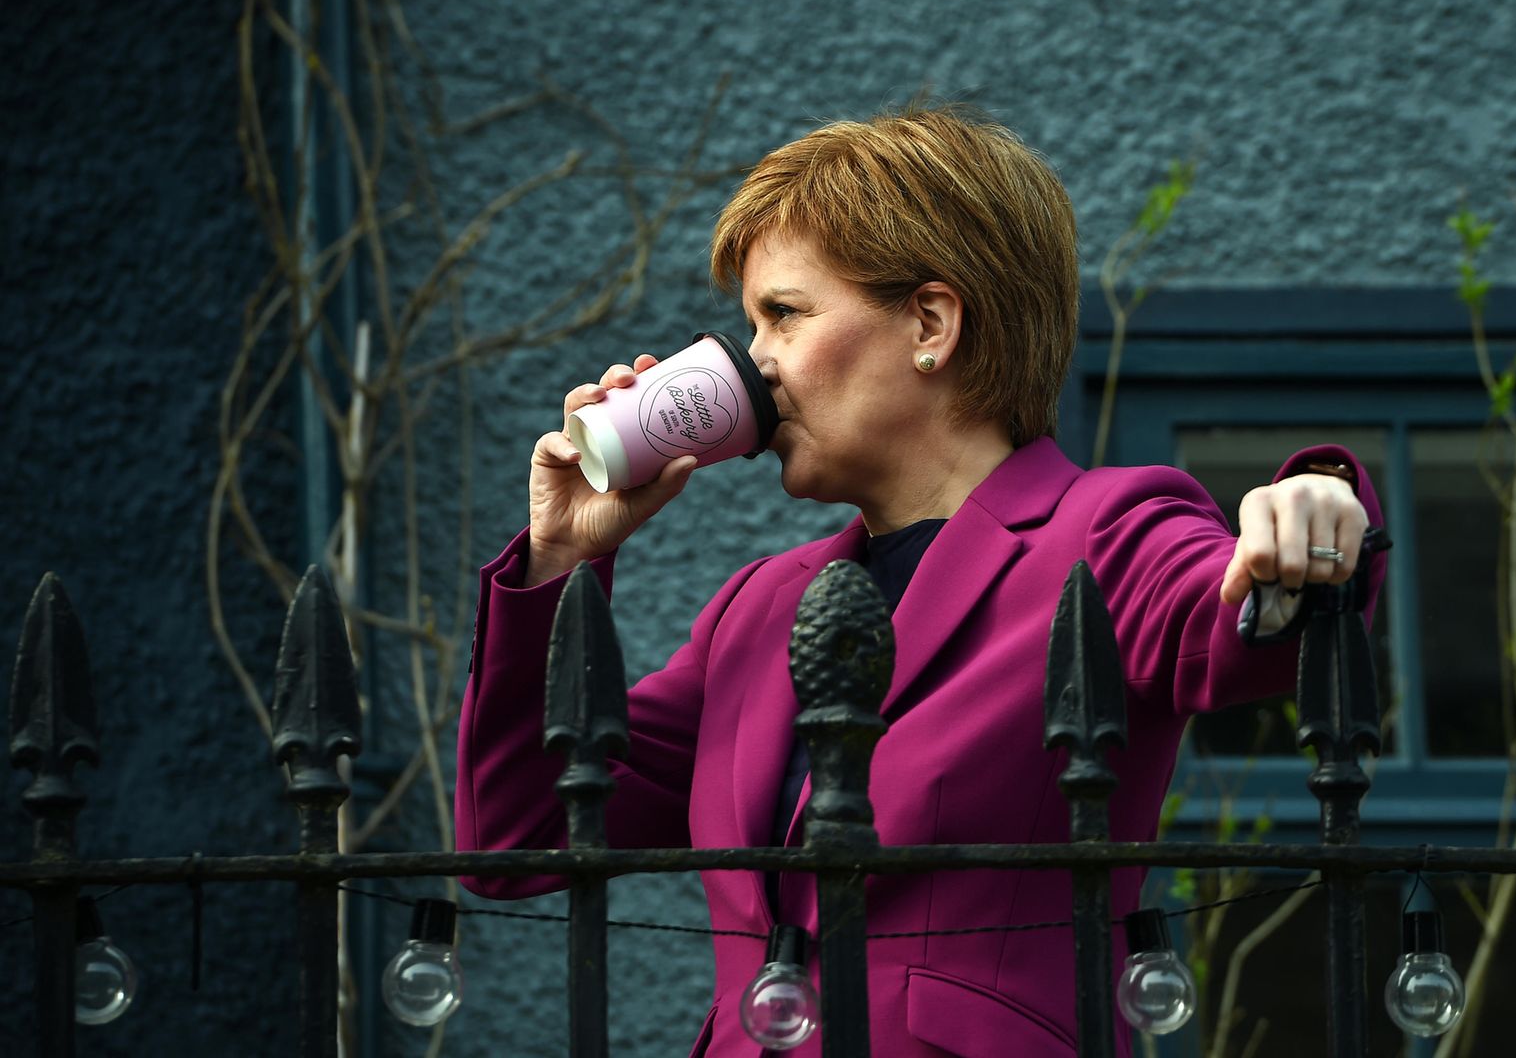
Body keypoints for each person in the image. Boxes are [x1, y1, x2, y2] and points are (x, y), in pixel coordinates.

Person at [456, 105, 1386, 1058]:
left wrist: (1307, 526)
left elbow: (1224, 618)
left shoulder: (1103, 530)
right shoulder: (758, 608)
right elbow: (520, 836)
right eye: (750, 325)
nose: (754, 364)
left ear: (932, 325)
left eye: (783, 314)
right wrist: (562, 558)